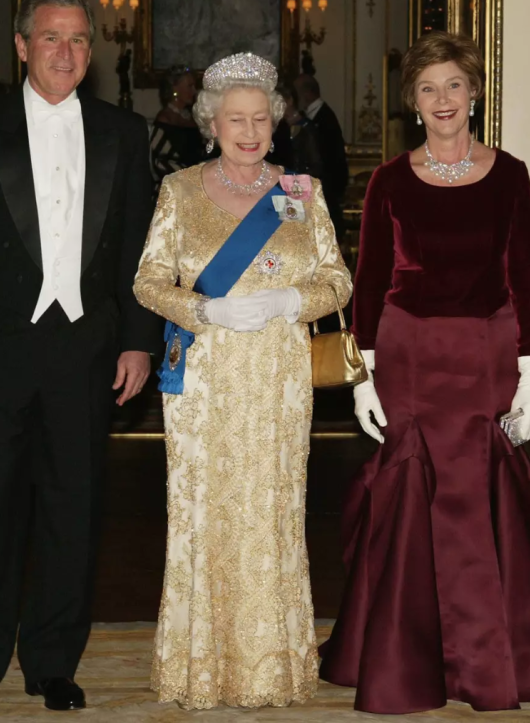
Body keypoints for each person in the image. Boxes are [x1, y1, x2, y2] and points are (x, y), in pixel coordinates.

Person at [0, 0, 160, 716]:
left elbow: (138, 256)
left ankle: (55, 659)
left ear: (94, 50)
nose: (66, 51)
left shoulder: (123, 130)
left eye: (80, 39)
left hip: (86, 352)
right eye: (51, 37)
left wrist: (140, 342)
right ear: (21, 46)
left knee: (72, 512)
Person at [318, 31, 530, 714]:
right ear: (413, 101)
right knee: (409, 508)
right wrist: (363, 375)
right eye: (428, 88)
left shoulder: (512, 174)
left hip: (486, 360)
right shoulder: (389, 181)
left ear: (475, 95)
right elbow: (367, 285)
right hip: (408, 364)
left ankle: (490, 663)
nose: (442, 100)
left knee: (476, 510)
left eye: (454, 86)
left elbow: (523, 278)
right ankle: (407, 663)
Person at [134, 52, 352, 710]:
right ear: (211, 123)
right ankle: (200, 667)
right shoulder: (179, 192)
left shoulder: (298, 192)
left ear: (277, 121)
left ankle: (269, 666)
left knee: (272, 513)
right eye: (236, 119)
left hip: (278, 377)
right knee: (204, 515)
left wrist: (291, 303)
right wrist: (204, 308)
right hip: (203, 381)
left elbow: (338, 280)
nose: (251, 131)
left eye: (262, 118)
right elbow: (147, 282)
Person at [293, 74, 349, 231]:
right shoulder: (315, 116)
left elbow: (328, 159)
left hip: (326, 191)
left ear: (306, 93)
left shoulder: (324, 118)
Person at [150, 65, 206, 195]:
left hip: (198, 187)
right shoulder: (165, 119)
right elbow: (158, 162)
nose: (194, 91)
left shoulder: (192, 116)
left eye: (194, 86)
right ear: (175, 88)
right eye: (189, 86)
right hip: (174, 191)